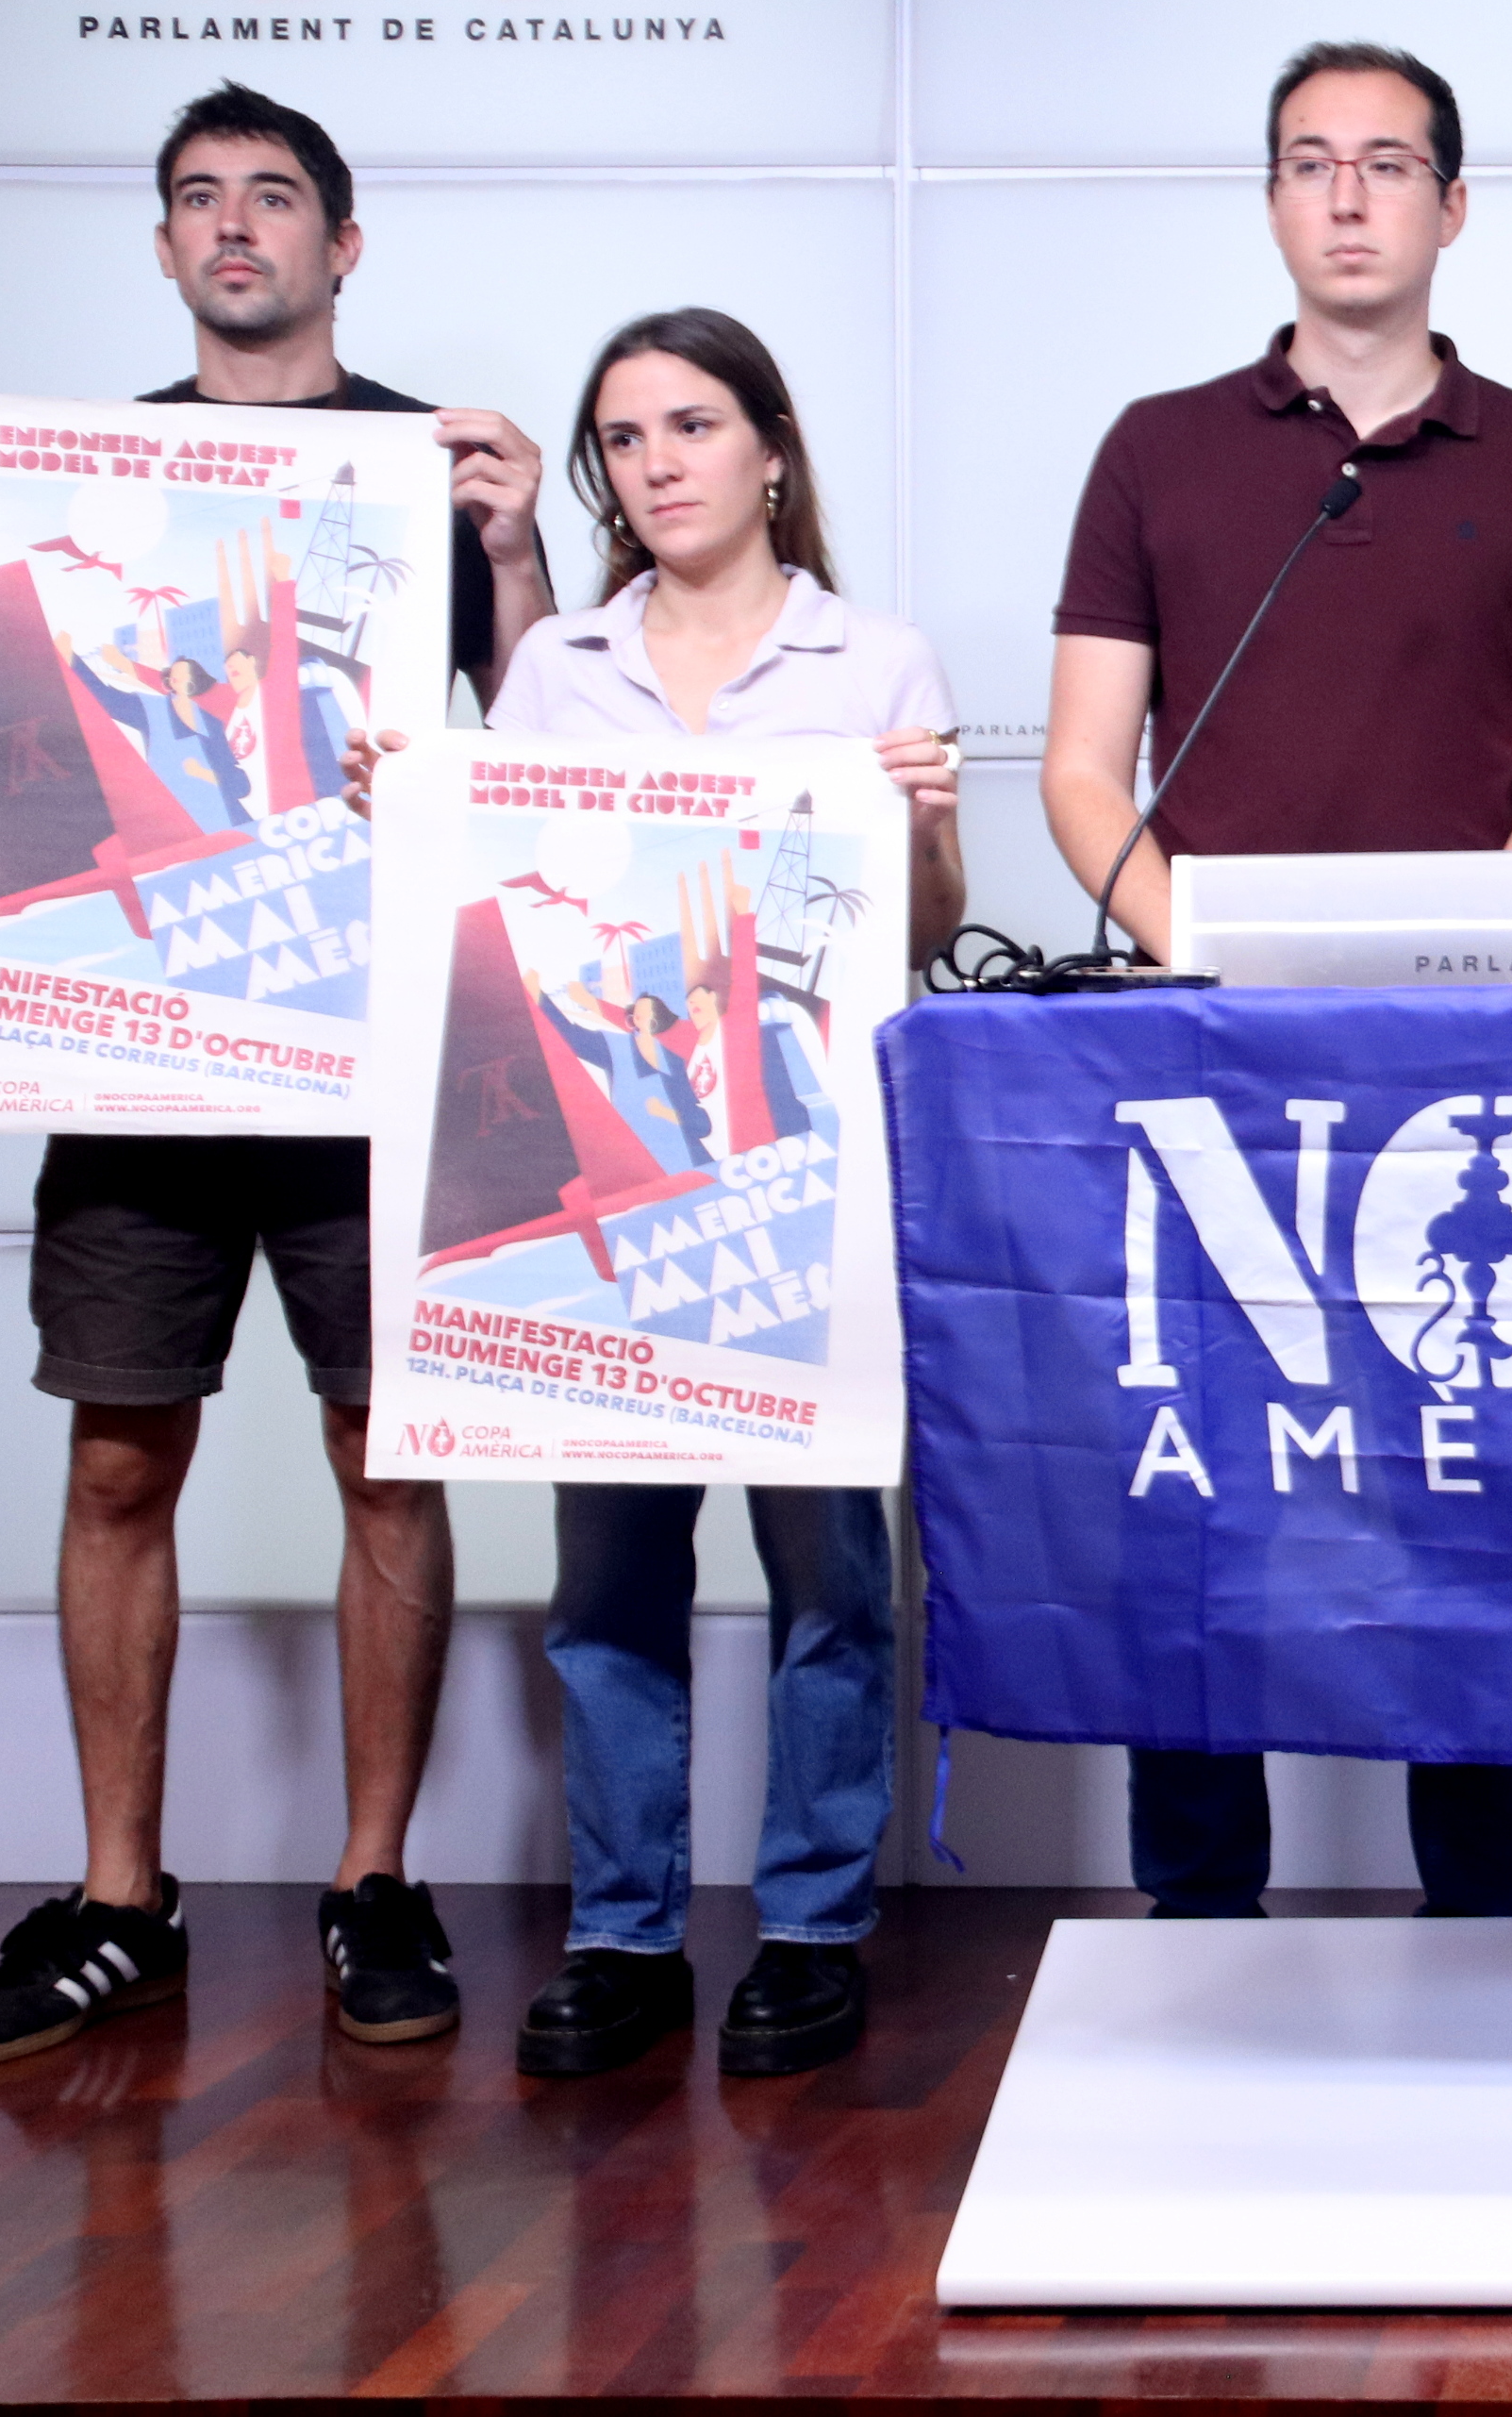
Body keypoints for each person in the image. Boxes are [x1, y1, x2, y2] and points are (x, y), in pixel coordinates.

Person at [0, 81, 554, 2069]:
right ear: (163, 248)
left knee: (385, 1454)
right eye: (201, 201)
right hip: (133, 1043)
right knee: (119, 1458)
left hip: (368, 1049)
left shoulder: (424, 470)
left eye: (276, 197)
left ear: (343, 239)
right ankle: (122, 1896)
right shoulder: (76, 467)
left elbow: (544, 745)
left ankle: (372, 1875)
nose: (238, 227)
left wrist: (526, 546)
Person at [1037, 42, 1512, 1919]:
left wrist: (1452, 964)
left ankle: (1484, 1910)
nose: (1350, 195)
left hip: (1465, 1061)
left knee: (1468, 1488)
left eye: (1389, 164)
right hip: (1213, 1048)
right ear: (1275, 201)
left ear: (1454, 207)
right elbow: (1079, 767)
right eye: (1312, 161)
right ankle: (1198, 1920)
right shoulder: (1159, 446)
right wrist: (1198, 942)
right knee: (1207, 1490)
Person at [355, 308, 962, 2076]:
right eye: (624, 440)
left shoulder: (875, 658)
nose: (659, 464)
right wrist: (416, 809)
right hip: (603, 1180)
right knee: (610, 1580)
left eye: (693, 426)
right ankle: (621, 1931)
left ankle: (809, 1921)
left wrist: (920, 824)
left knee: (828, 1576)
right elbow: (508, 912)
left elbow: (925, 936)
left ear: (772, 446)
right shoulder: (561, 668)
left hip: (813, 1183)